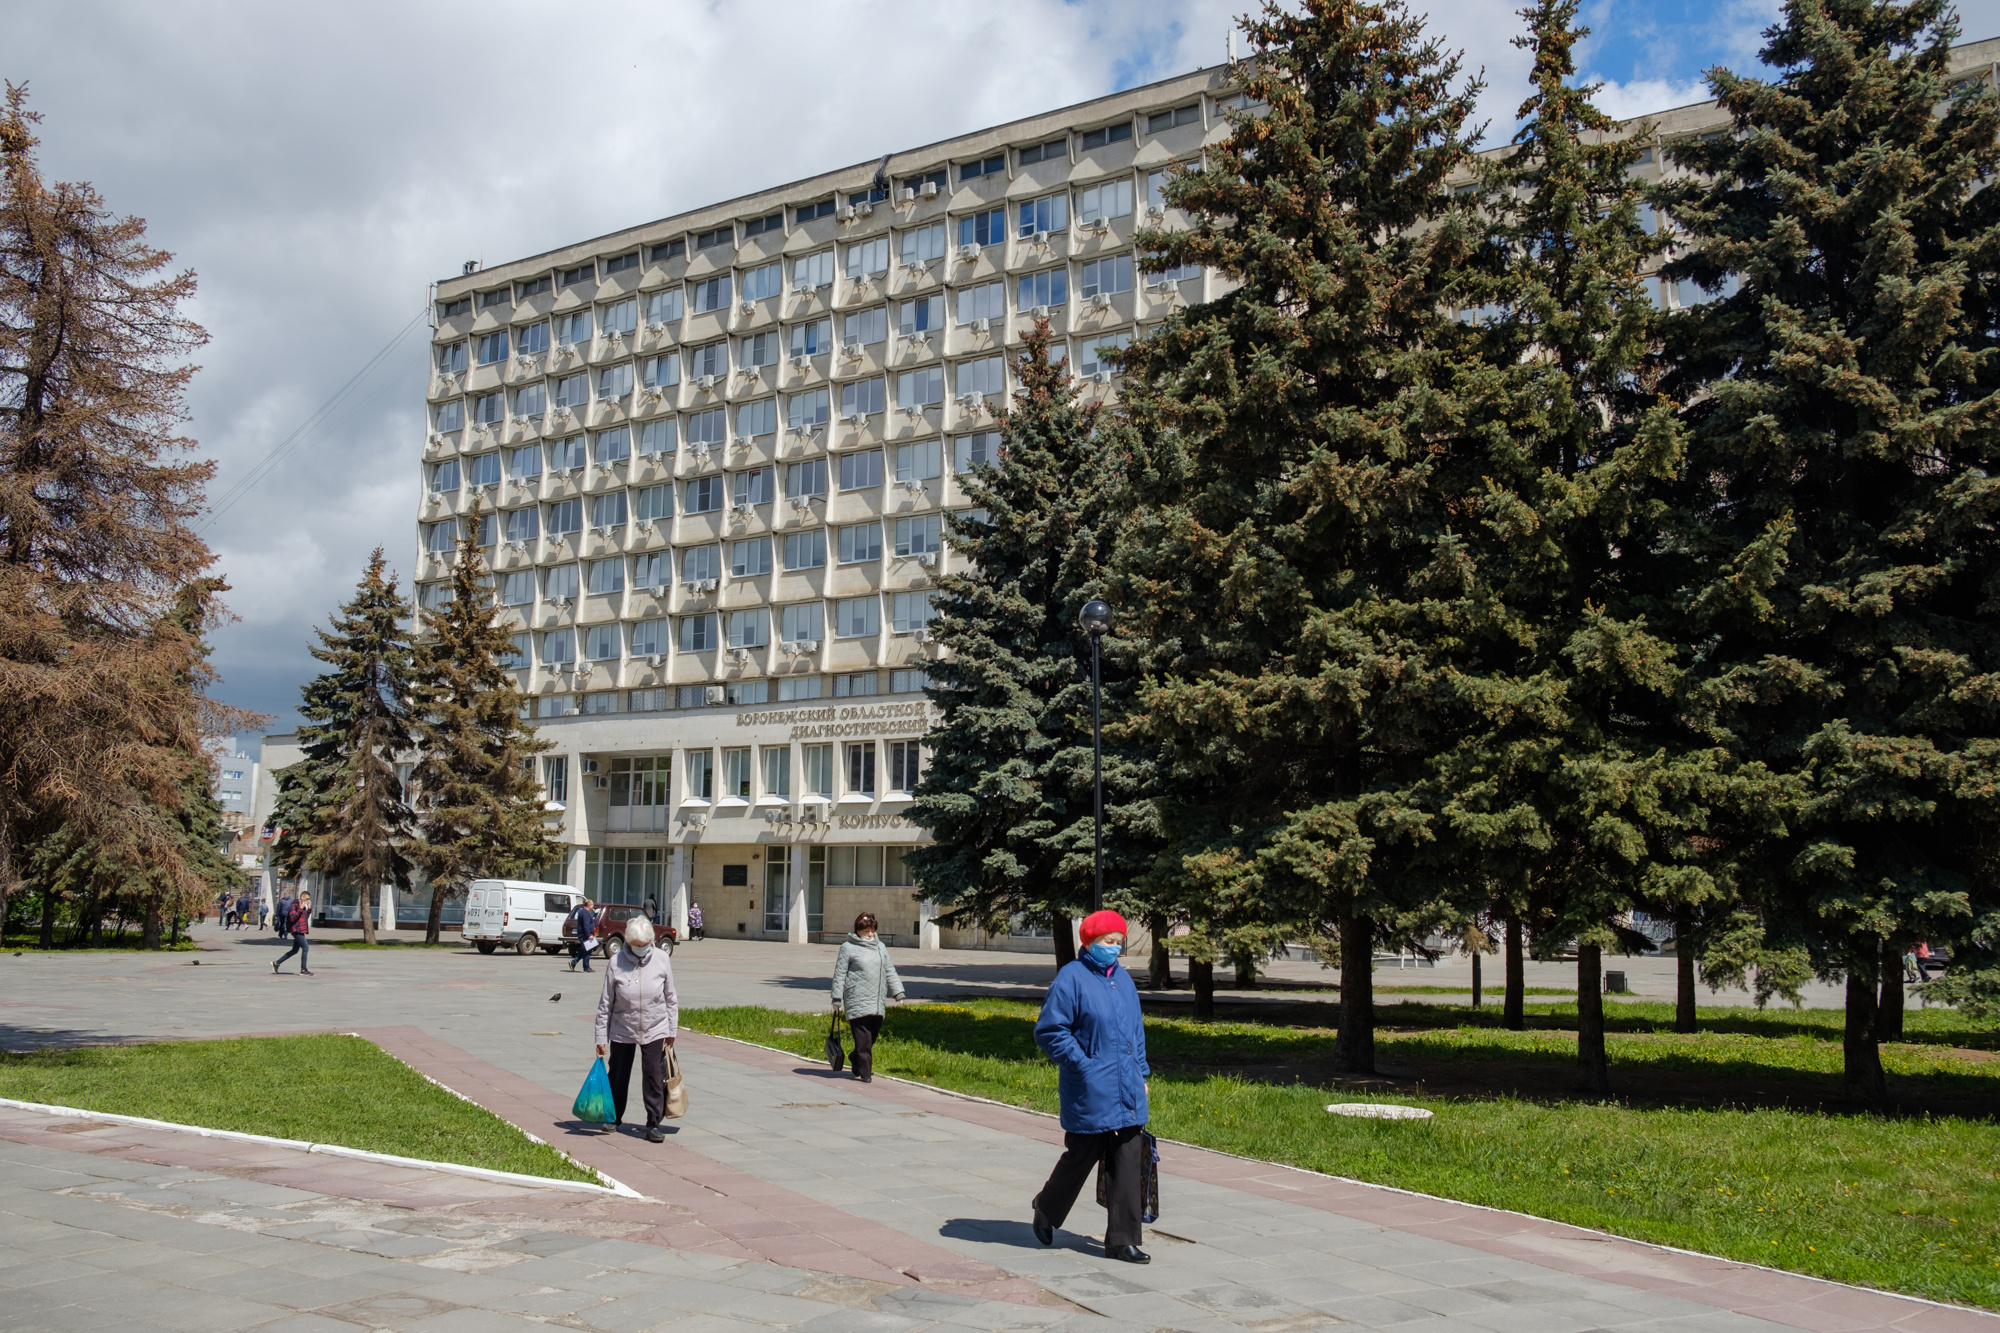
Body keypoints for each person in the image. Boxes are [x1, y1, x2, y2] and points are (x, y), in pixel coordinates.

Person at [1029, 909, 1151, 1265]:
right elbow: (1050, 1031)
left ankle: (1123, 1240)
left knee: (1128, 1159)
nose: (1114, 948)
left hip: (1127, 1086)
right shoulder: (1071, 978)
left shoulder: (1124, 981)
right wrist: (1083, 1065)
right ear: (1090, 942)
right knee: (1082, 1155)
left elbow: (1136, 1033)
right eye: (1107, 942)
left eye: (1118, 942)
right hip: (1090, 1087)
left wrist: (1141, 1074)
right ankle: (1046, 1207)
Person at [594, 915, 678, 1142]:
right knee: (618, 1075)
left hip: (655, 1026)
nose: (641, 949)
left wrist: (672, 1029)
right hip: (623, 1027)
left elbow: (670, 997)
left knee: (653, 1075)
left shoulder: (661, 959)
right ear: (629, 942)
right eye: (636, 946)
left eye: (645, 945)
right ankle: (613, 1118)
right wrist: (600, 1036)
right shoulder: (615, 962)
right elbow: (605, 1003)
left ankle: (653, 1124)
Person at [830, 913, 905, 1083]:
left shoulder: (881, 947)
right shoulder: (847, 947)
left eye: (872, 930)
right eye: (866, 931)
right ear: (857, 931)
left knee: (871, 1038)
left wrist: (898, 992)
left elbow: (889, 970)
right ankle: (865, 1074)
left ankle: (856, 1059)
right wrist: (836, 999)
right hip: (856, 999)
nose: (870, 934)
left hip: (877, 1001)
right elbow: (839, 974)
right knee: (863, 1040)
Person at [272, 891, 314, 975]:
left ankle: (276, 963)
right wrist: (301, 908)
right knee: (305, 947)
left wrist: (309, 909)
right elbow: (292, 917)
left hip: (301, 930)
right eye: (307, 899)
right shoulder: (294, 905)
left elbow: (305, 917)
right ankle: (303, 969)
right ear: (302, 897)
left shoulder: (303, 906)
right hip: (296, 929)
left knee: (295, 950)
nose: (308, 900)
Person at [568, 898, 598, 973]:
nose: (593, 907)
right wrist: (589, 935)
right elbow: (586, 924)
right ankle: (586, 967)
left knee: (584, 950)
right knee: (587, 951)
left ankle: (574, 962)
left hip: (583, 934)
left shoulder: (582, 911)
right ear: (589, 905)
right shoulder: (585, 913)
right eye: (592, 905)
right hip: (585, 935)